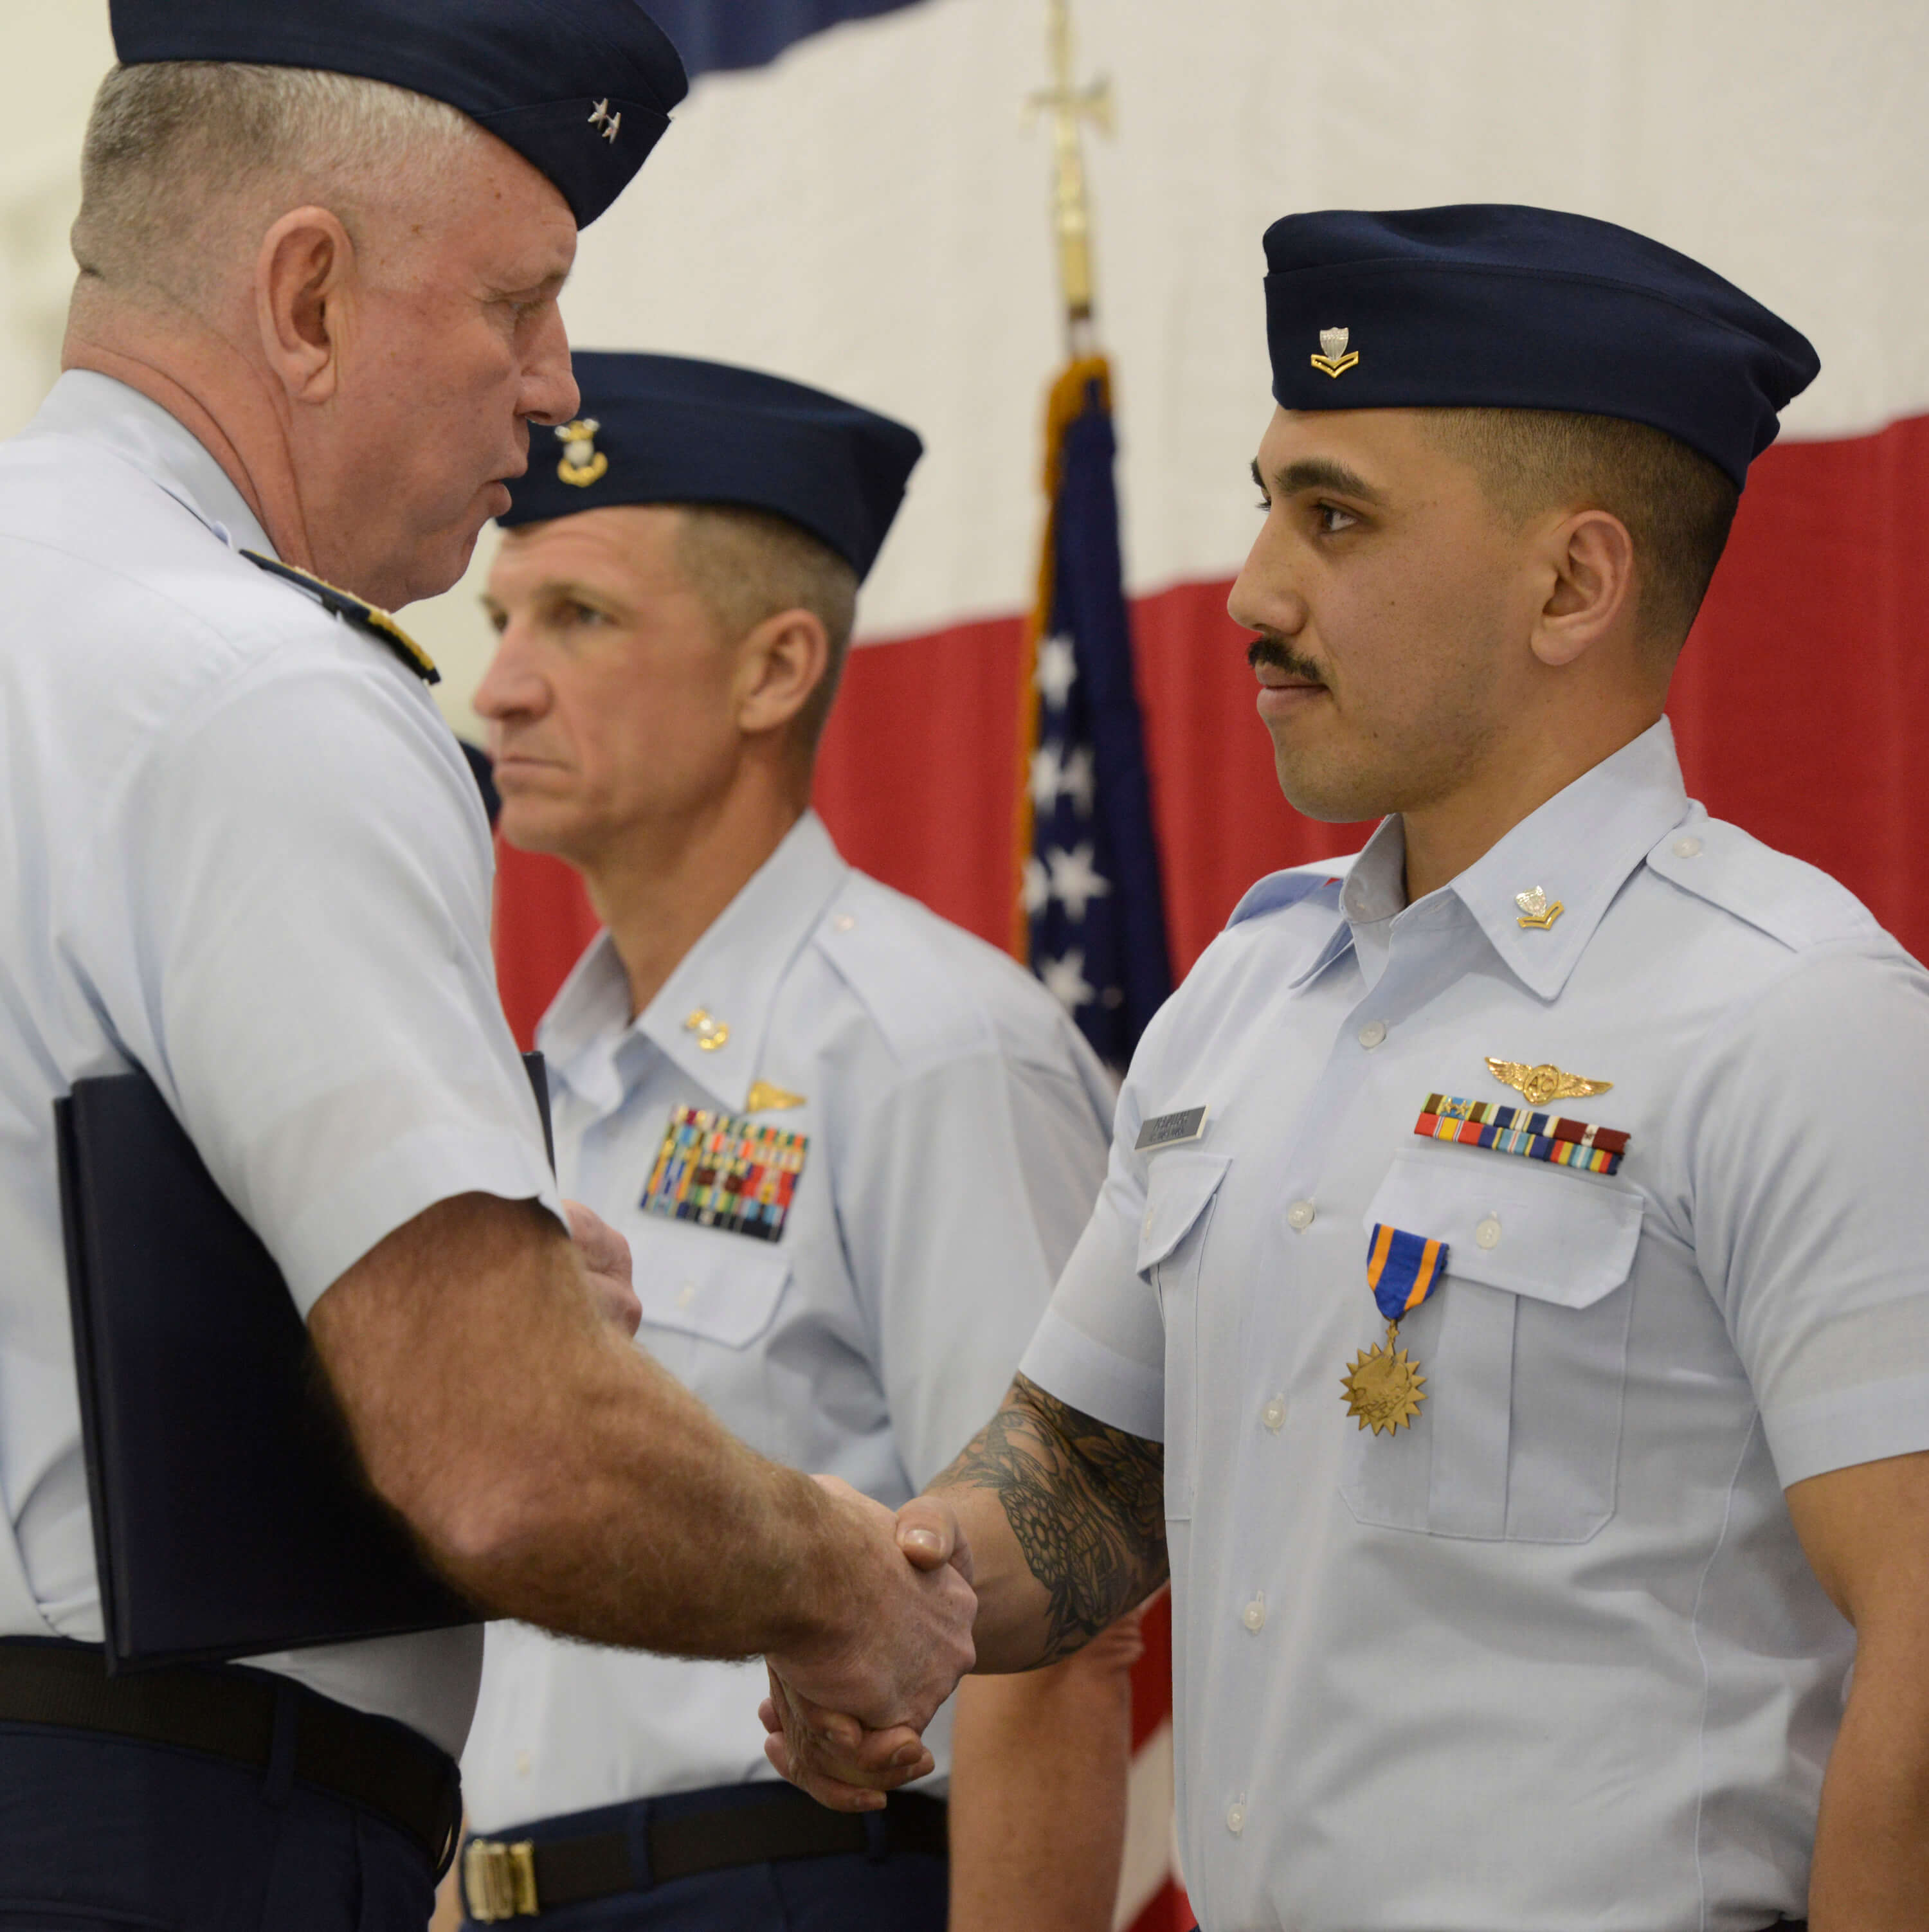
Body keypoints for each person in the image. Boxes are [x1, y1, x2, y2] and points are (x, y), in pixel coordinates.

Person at [775, 206, 1929, 1931]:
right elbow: (1087, 1482)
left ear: (1573, 582)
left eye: (1337, 516)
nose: (1253, 587)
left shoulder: (1797, 1014)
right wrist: (863, 1593)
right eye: (1265, 501)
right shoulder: (1246, 996)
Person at [0, 8, 972, 1927]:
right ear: (307, 297)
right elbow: (509, 1461)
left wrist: (395, 1306)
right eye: (520, 302)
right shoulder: (255, 681)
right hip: (141, 1827)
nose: (551, 386)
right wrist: (847, 1581)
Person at [457, 350, 1137, 1931]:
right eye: (502, 621)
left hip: (788, 1883)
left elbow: (1053, 1614)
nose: (499, 686)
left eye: (582, 617)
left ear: (775, 671)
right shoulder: (528, 1076)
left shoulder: (927, 1050)